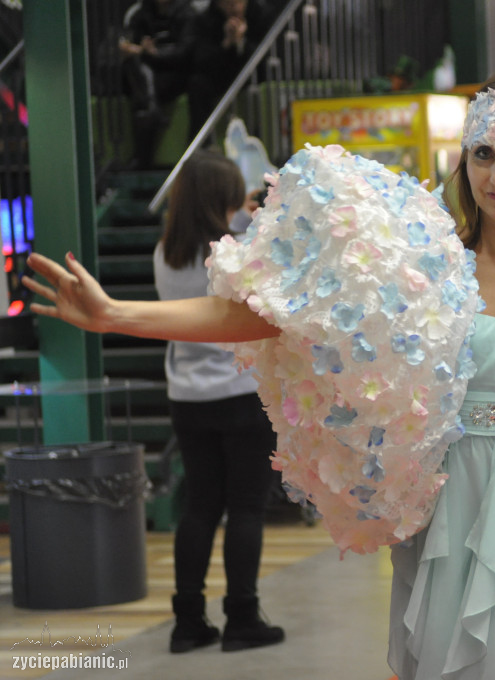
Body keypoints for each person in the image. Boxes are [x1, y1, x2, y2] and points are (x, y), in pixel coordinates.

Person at [25, 65, 495, 680]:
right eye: (485, 153)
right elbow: (276, 313)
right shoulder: (426, 266)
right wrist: (120, 316)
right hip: (459, 507)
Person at [155, 149, 284, 653]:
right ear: (225, 198)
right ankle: (241, 617)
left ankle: (188, 621)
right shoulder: (239, 246)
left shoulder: (164, 252)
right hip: (240, 393)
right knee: (246, 508)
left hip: (186, 396)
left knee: (200, 507)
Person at [119, 0, 197, 168]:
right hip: (143, 73)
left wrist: (154, 53)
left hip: (174, 74)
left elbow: (185, 53)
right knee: (134, 68)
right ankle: (151, 109)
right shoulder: (140, 14)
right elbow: (129, 44)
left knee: (142, 91)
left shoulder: (187, 13)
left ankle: (141, 159)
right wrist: (138, 51)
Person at [188, 0, 275, 139]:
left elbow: (266, 57)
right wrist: (226, 43)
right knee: (197, 83)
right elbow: (201, 61)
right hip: (220, 74)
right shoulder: (205, 19)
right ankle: (201, 145)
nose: (233, 7)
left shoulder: (260, 15)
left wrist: (241, 42)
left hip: (253, 76)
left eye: (237, 2)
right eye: (227, 3)